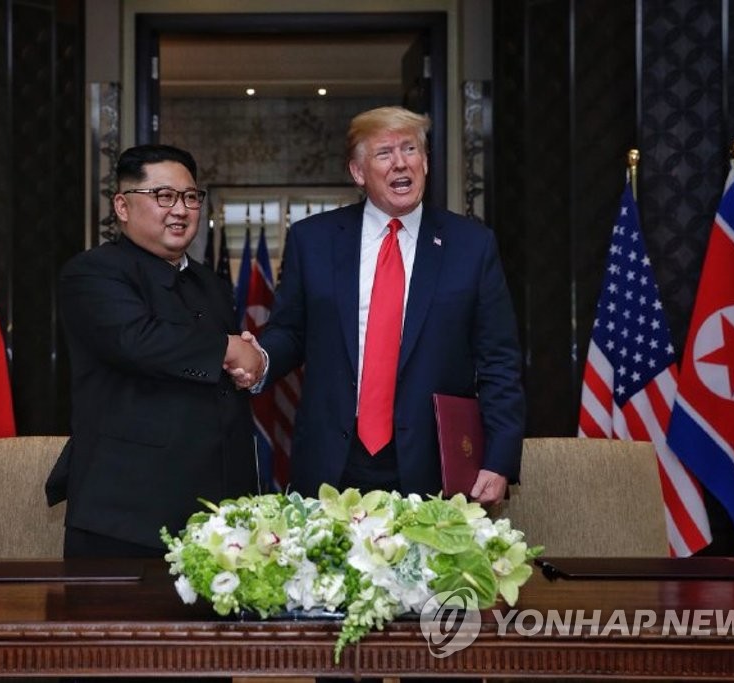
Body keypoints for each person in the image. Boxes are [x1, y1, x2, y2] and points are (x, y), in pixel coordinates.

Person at [241, 106, 525, 504]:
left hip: (432, 462)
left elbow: (499, 360)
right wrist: (260, 359)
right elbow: (290, 331)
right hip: (332, 458)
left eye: (410, 149)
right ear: (358, 172)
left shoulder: (471, 246)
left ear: (426, 162)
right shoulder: (313, 240)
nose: (400, 163)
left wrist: (498, 459)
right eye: (384, 153)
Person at [47, 144, 263, 558]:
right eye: (163, 196)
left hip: (218, 513)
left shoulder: (211, 284)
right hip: (127, 514)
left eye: (190, 197)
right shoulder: (94, 271)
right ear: (122, 207)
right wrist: (227, 348)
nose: (180, 210)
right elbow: (136, 340)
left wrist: (245, 366)